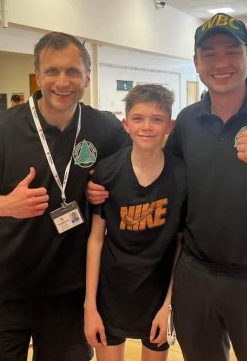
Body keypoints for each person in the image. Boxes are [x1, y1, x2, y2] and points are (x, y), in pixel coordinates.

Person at [87, 13, 247, 361]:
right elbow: (158, 181)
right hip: (194, 277)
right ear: (196, 63)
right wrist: (102, 191)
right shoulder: (188, 121)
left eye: (232, 51)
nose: (221, 63)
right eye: (209, 53)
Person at [0, 32, 129, 361]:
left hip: (68, 293)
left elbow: (132, 172)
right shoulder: (2, 129)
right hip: (4, 289)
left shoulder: (103, 127)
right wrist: (5, 205)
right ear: (38, 75)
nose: (62, 82)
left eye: (72, 71)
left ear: (87, 77)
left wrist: (106, 187)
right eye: (52, 71)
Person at [84, 85, 186, 361]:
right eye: (138, 119)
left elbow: (181, 243)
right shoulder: (107, 170)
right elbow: (96, 238)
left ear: (169, 126)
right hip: (110, 293)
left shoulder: (182, 175)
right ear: (126, 124)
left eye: (157, 119)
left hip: (157, 295)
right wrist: (90, 306)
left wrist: (169, 305)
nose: (147, 127)